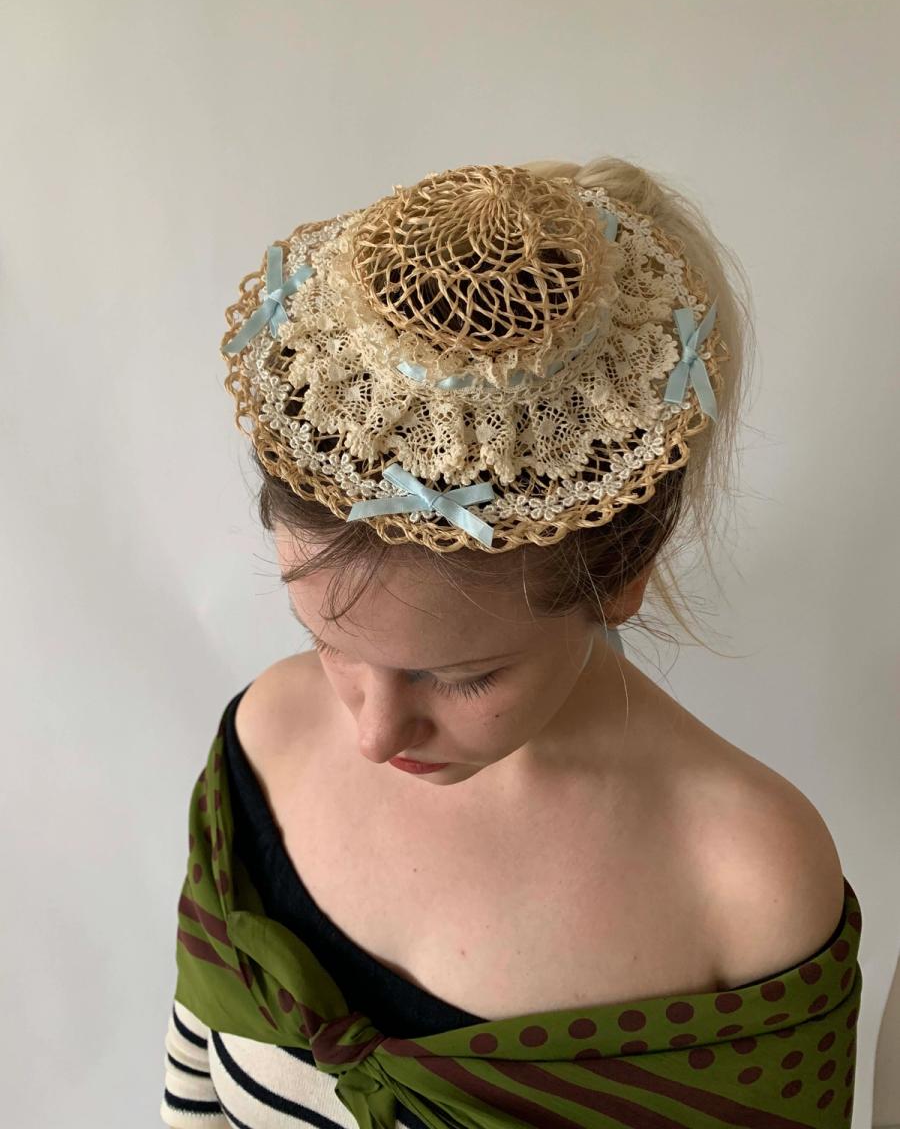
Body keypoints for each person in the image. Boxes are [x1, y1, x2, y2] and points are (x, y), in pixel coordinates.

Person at [161, 158, 862, 1129]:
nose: (373, 733)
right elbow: (192, 1095)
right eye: (327, 641)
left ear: (622, 574)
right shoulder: (265, 743)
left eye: (460, 677)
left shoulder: (746, 890)